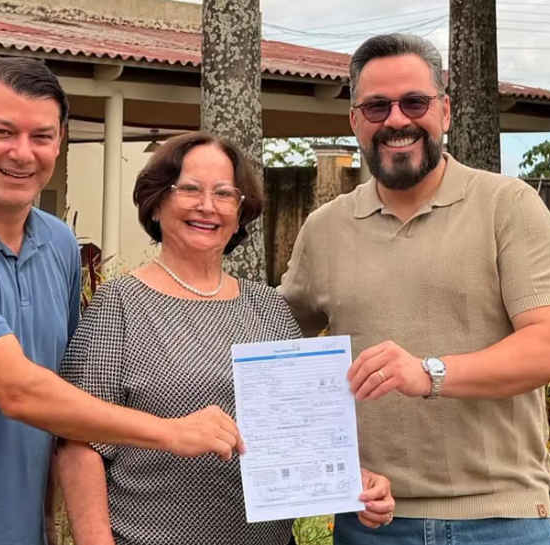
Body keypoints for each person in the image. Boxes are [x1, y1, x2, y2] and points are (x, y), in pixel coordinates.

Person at [0, 58, 243, 545]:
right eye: (3, 132)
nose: (22, 153)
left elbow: (59, 391)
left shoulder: (57, 244)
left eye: (41, 136)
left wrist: (48, 521)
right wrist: (171, 432)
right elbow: (20, 391)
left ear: (60, 141)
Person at [278, 33, 550, 545]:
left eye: (414, 102)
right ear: (354, 121)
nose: (396, 120)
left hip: (501, 520)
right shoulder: (325, 229)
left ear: (445, 111)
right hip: (371, 522)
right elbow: (280, 353)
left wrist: (429, 372)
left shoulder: (508, 206)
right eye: (377, 106)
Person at [57, 131, 396, 545]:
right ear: (156, 203)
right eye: (189, 189)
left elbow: (305, 435)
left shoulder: (269, 308)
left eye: (223, 193)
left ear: (239, 212)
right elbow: (78, 441)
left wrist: (355, 482)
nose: (207, 205)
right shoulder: (121, 304)